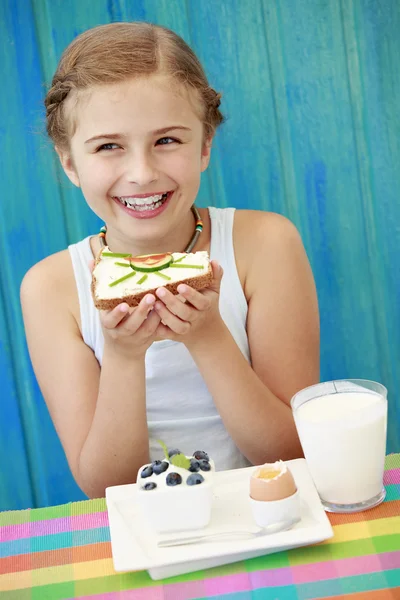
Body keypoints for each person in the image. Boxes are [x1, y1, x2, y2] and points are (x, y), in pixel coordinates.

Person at [20, 22, 320, 499]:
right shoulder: (52, 288)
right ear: (70, 163)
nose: (141, 173)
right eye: (108, 147)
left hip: (271, 517)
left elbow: (291, 452)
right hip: (146, 541)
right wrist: (122, 356)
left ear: (204, 145)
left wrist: (209, 339)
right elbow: (104, 486)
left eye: (167, 141)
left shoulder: (265, 244)